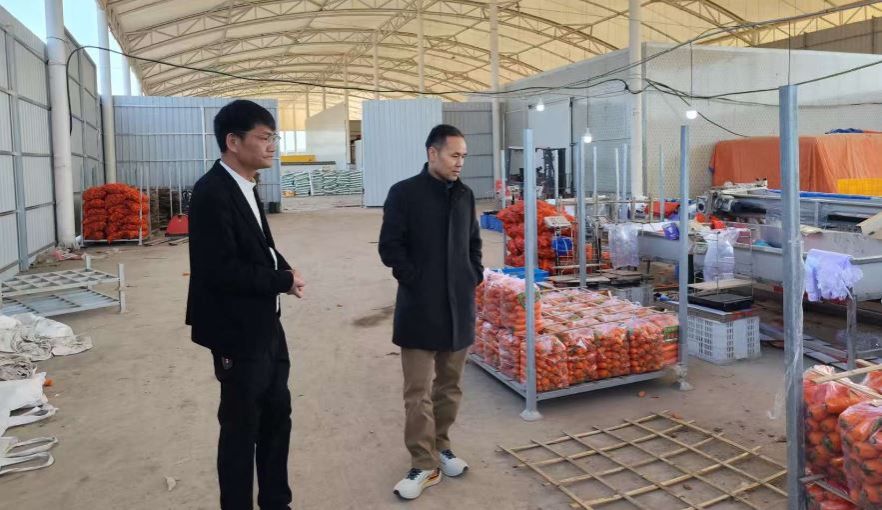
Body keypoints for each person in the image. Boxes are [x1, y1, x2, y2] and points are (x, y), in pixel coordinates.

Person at [185, 99, 306, 510]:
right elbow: (219, 270)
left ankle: (276, 502)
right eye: (264, 137)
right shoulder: (211, 193)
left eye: (274, 137)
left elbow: (261, 247)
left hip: (266, 325)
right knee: (241, 428)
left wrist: (284, 269)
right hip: (236, 332)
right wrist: (281, 280)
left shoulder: (246, 185)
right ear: (233, 141)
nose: (272, 145)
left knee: (276, 417)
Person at [378, 124, 484, 500]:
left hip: (459, 307)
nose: (460, 163)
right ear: (432, 153)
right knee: (418, 391)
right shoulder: (404, 193)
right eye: (454, 155)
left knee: (450, 386)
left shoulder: (465, 195)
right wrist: (416, 280)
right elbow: (390, 246)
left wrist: (473, 274)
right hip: (420, 307)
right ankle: (423, 463)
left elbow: (473, 243)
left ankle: (441, 446)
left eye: (463, 156)